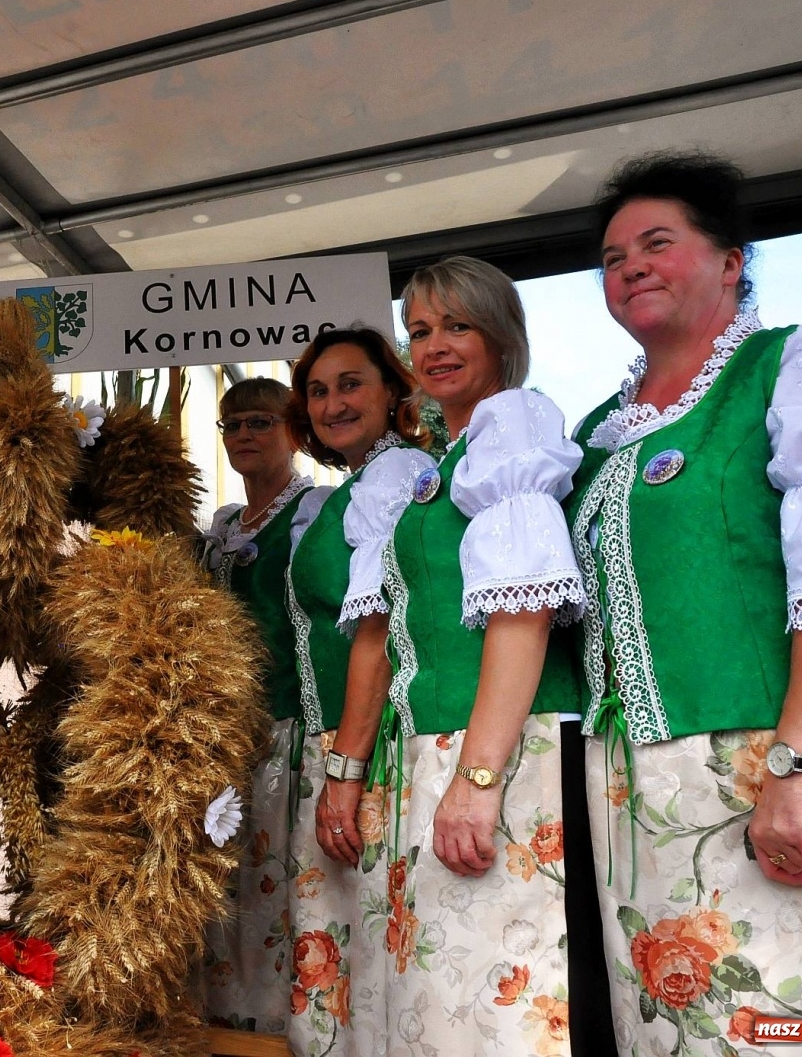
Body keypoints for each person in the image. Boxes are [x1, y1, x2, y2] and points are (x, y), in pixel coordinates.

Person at [569, 151, 802, 1055]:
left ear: (731, 261)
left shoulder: (798, 366)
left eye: (657, 243)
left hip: (783, 761)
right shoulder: (595, 437)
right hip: (639, 788)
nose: (631, 266)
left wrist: (800, 767)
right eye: (612, 258)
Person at [374, 255, 613, 1055]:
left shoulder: (512, 426)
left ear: (503, 335)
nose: (434, 345)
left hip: (507, 753)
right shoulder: (450, 457)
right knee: (452, 1000)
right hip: (446, 748)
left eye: (457, 325)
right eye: (419, 330)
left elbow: (525, 610)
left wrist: (476, 782)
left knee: (508, 1003)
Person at [283, 327, 432, 1057]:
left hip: (364, 750)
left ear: (392, 392)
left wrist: (346, 768)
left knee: (373, 953)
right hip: (342, 744)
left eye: (351, 384)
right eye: (318, 390)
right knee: (349, 959)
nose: (333, 401)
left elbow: (381, 631)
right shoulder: (360, 483)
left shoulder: (397, 473)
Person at [199, 377, 315, 1036]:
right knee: (227, 888)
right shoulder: (220, 531)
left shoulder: (312, 512)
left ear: (293, 430)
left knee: (282, 884)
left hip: (290, 729)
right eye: (233, 424)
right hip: (224, 739)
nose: (244, 434)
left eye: (260, 421)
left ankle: (287, 1031)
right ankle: (232, 1030)